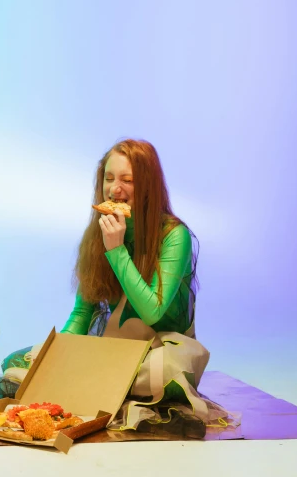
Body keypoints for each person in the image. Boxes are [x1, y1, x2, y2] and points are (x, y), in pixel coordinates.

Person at [62, 138, 197, 341]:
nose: (114, 189)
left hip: (162, 348)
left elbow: (152, 312)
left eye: (127, 180)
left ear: (148, 186)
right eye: (109, 179)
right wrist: (56, 351)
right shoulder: (99, 232)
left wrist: (116, 250)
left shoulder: (175, 235)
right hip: (119, 344)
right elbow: (82, 313)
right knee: (20, 360)